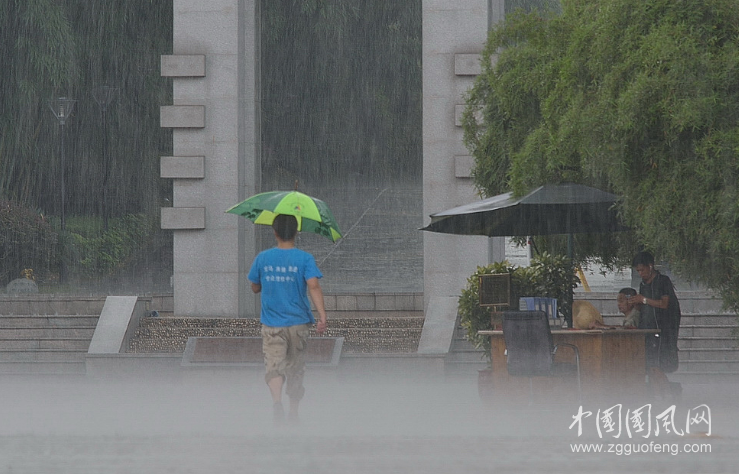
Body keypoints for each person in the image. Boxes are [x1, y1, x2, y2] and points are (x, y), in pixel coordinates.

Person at [248, 214, 328, 424]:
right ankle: (293, 412)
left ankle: (277, 402)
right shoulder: (305, 259)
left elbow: (254, 287)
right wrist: (322, 315)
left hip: (272, 323)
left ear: (274, 232)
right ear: (296, 233)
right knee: (295, 366)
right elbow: (313, 286)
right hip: (299, 323)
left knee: (274, 365)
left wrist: (266, 283)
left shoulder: (262, 258)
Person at [628, 251, 682, 398]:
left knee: (657, 366)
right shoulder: (643, 284)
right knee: (650, 367)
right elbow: (644, 305)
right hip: (647, 329)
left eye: (642, 270)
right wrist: (636, 303)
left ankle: (668, 395)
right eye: (637, 271)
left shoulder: (663, 281)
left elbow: (664, 304)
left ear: (650, 266)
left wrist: (644, 300)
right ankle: (658, 396)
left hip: (662, 329)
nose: (640, 273)